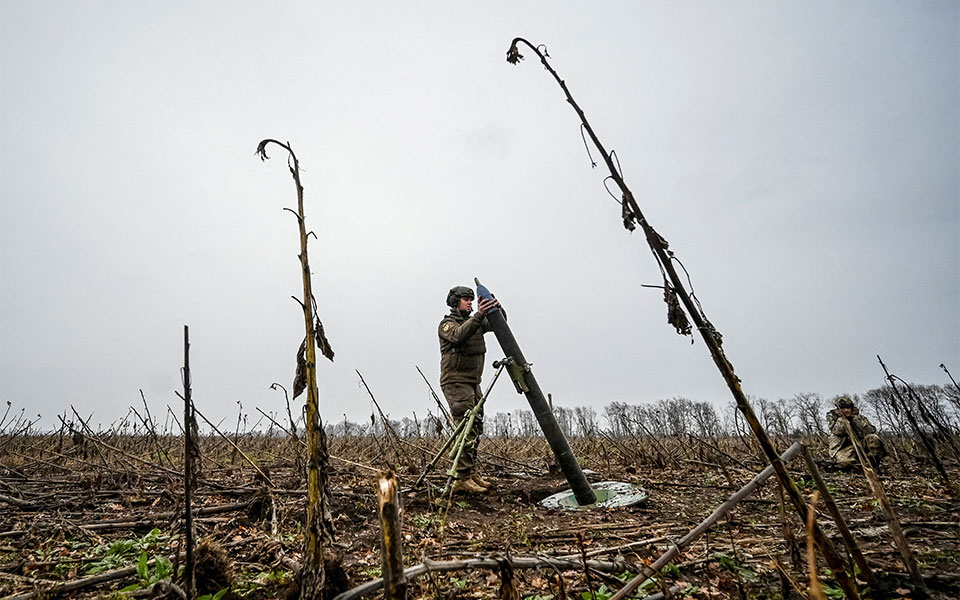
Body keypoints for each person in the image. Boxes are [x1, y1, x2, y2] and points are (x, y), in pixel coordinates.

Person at [438, 285, 499, 494]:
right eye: (466, 299)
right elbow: (458, 336)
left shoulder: (477, 322)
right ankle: (461, 478)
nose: (470, 303)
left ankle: (469, 472)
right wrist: (480, 314)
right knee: (466, 427)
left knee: (476, 427)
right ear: (455, 302)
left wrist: (496, 308)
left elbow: (500, 323)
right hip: (455, 381)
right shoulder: (447, 324)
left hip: (474, 382)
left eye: (472, 300)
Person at [827, 395, 886, 470]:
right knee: (846, 463)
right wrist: (842, 420)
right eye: (843, 408)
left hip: (860, 446)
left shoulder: (859, 418)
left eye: (848, 408)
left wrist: (857, 420)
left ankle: (872, 464)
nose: (846, 411)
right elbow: (837, 431)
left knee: (874, 438)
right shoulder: (833, 419)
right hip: (843, 449)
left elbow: (871, 430)